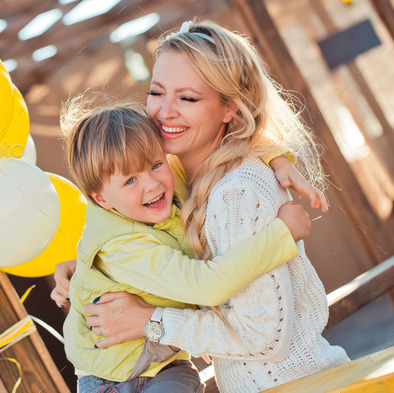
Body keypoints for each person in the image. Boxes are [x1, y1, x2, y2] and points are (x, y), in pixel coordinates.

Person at [54, 20, 349, 392]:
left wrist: (150, 321)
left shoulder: (233, 193)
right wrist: (84, 267)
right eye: (157, 92)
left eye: (187, 98)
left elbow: (261, 338)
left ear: (230, 107)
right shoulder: (177, 175)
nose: (164, 112)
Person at [61, 99, 312, 393]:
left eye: (156, 165)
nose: (152, 184)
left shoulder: (170, 182)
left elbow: (223, 149)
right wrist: (282, 234)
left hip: (167, 367)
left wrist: (276, 157)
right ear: (101, 199)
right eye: (130, 180)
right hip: (108, 379)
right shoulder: (120, 247)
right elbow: (206, 285)